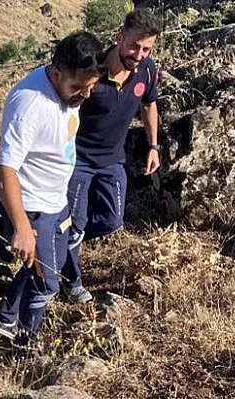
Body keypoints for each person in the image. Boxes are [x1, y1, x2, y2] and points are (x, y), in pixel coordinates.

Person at [0, 31, 105, 343]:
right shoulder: (31, 105)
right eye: (78, 87)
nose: (85, 95)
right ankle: (22, 335)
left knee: (52, 262)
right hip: (33, 204)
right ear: (56, 73)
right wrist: (22, 227)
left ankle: (9, 318)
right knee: (48, 281)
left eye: (90, 87)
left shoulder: (70, 87)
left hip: (55, 197)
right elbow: (6, 167)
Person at [62, 8, 163, 299]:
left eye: (147, 48)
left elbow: (149, 104)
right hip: (79, 160)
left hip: (112, 160)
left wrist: (153, 145)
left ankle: (60, 241)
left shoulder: (147, 70)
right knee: (76, 223)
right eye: (134, 45)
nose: (139, 53)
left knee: (111, 220)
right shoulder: (92, 72)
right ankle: (73, 283)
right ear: (119, 37)